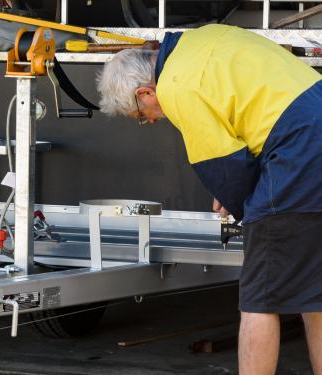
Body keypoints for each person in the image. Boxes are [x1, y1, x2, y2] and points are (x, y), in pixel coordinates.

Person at [96, 24, 322, 374]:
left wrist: (241, 204)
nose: (151, 121)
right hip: (311, 123)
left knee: (260, 296)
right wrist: (231, 185)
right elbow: (247, 113)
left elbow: (226, 171)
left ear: (145, 92)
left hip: (299, 149)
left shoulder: (177, 87)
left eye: (142, 117)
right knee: (315, 290)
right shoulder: (201, 40)